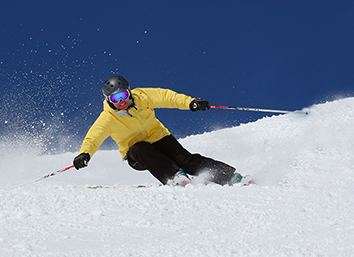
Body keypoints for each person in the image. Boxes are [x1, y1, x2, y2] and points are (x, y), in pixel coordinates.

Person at [73, 75, 250, 186]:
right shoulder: (108, 118)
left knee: (186, 160)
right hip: (138, 155)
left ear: (129, 92)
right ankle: (173, 176)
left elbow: (167, 97)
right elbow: (93, 137)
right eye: (115, 98)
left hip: (160, 138)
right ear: (108, 100)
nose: (121, 101)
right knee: (138, 147)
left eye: (124, 95)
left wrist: (190, 102)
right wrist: (85, 154)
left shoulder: (142, 96)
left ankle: (231, 177)